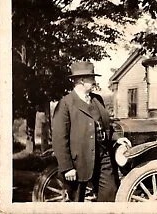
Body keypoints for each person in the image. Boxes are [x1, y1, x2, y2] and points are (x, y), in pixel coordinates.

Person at [52, 61, 131, 202]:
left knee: (109, 196)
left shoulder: (97, 100)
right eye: (92, 78)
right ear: (81, 80)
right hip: (79, 161)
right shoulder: (66, 103)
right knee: (77, 203)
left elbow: (106, 125)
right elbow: (59, 139)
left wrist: (117, 138)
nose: (94, 81)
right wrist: (67, 167)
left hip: (104, 157)